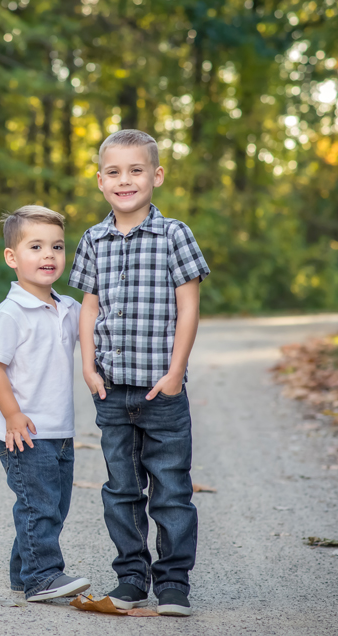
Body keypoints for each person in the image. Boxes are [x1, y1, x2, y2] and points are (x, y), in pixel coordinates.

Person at [69, 129, 210, 617]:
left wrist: (176, 372)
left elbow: (188, 309)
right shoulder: (93, 239)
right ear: (101, 180)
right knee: (121, 490)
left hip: (161, 390)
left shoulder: (174, 235)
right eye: (114, 172)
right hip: (111, 389)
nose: (124, 180)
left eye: (135, 170)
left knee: (170, 489)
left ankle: (173, 583)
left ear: (156, 175)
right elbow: (88, 308)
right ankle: (131, 576)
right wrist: (87, 366)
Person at [0, 205, 92, 603]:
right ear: (12, 257)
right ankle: (42, 577)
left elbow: (95, 324)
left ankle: (21, 572)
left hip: (59, 430)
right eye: (36, 246)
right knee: (39, 507)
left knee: (51, 507)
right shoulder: (9, 314)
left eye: (57, 246)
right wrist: (12, 414)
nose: (49, 255)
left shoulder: (67, 308)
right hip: (23, 433)